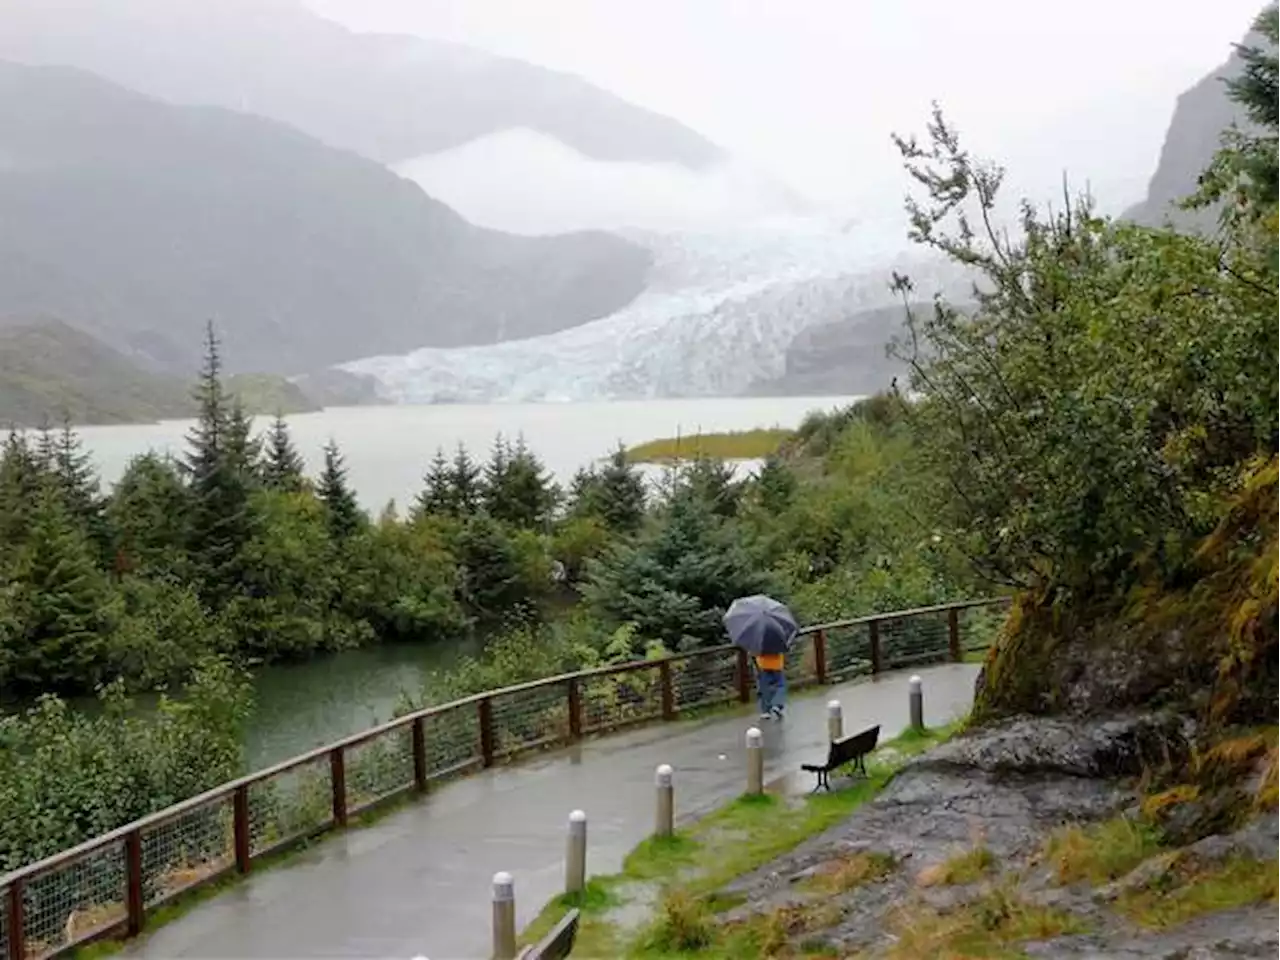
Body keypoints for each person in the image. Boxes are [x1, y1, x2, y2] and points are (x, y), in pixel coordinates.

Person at [755, 650, 786, 720]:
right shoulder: (777, 640)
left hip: (763, 665)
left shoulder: (758, 642)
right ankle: (777, 705)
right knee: (780, 685)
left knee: (765, 688)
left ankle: (766, 711)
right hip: (777, 664)